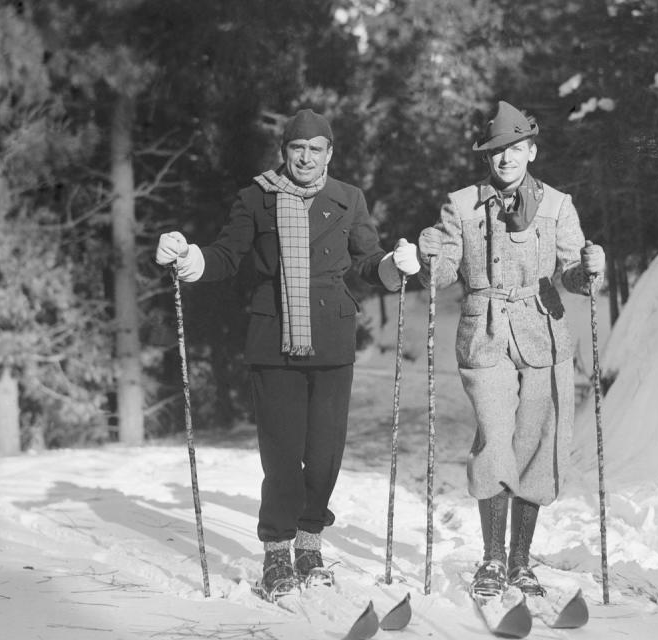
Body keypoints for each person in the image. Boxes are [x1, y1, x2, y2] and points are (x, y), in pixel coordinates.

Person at [156, 109, 419, 600]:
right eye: (297, 148)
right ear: (284, 151)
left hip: (332, 340)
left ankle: (310, 544)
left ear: (329, 154)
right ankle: (277, 551)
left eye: (316, 148)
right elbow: (227, 256)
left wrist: (391, 265)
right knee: (282, 458)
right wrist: (190, 258)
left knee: (324, 456)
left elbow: (366, 260)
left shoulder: (348, 199)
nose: (306, 157)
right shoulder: (255, 198)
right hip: (273, 340)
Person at [406, 101, 605, 599]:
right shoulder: (461, 205)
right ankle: (492, 560)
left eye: (515, 150)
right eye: (496, 152)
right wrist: (431, 257)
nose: (505, 160)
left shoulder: (559, 205)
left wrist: (589, 269)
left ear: (531, 152)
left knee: (537, 444)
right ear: (486, 158)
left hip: (545, 332)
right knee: (495, 437)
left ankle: (521, 563)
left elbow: (570, 274)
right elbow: (446, 272)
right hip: (485, 333)